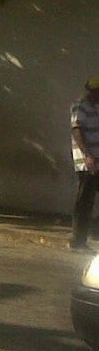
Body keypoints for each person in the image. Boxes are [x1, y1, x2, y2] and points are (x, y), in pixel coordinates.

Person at [69, 76, 99, 251]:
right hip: (88, 162)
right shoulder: (80, 106)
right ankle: (78, 241)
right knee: (85, 201)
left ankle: (92, 231)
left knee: (88, 201)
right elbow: (77, 130)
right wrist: (87, 155)